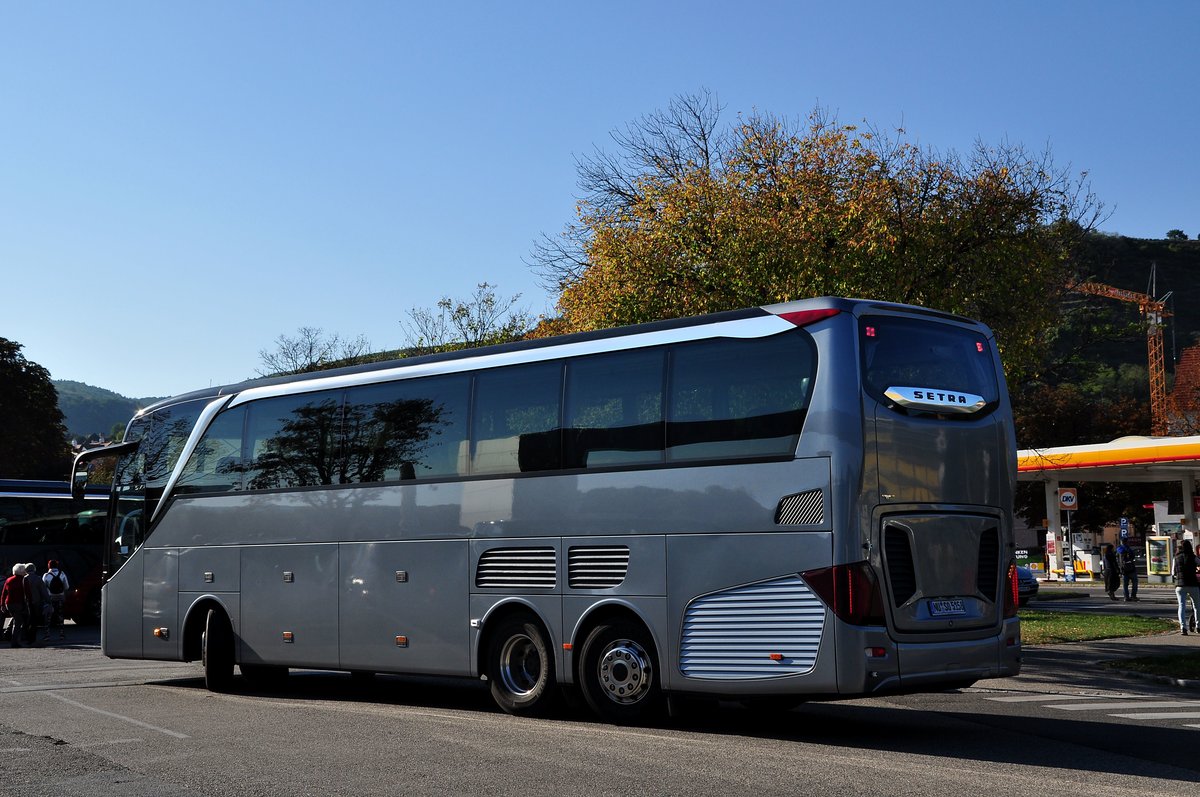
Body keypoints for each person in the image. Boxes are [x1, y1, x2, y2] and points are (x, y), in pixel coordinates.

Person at [1172, 539, 1200, 635]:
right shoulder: (1193, 557)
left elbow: (1173, 573)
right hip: (1193, 584)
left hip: (1180, 585)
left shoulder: (1176, 558)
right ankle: (1198, 626)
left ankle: (1183, 628)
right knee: (1197, 606)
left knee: (1181, 606)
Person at [1, 564, 29, 648]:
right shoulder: (24, 580)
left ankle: (7, 633)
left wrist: (2, 604)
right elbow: (27, 593)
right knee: (18, 623)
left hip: (9, 603)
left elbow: (4, 593)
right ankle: (14, 641)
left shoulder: (8, 580)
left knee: (15, 618)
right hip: (19, 603)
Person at [43, 559, 70, 640]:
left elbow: (43, 588)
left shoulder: (46, 575)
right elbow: (67, 587)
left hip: (50, 598)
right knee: (60, 616)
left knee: (48, 617)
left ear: (49, 566)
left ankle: (47, 635)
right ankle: (62, 634)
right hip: (60, 597)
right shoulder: (62, 574)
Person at [22, 563, 47, 645]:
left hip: (26, 602)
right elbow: (43, 591)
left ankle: (27, 636)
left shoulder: (24, 579)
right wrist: (47, 600)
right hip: (36, 601)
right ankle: (32, 638)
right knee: (34, 620)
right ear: (34, 569)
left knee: (27, 620)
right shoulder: (38, 578)